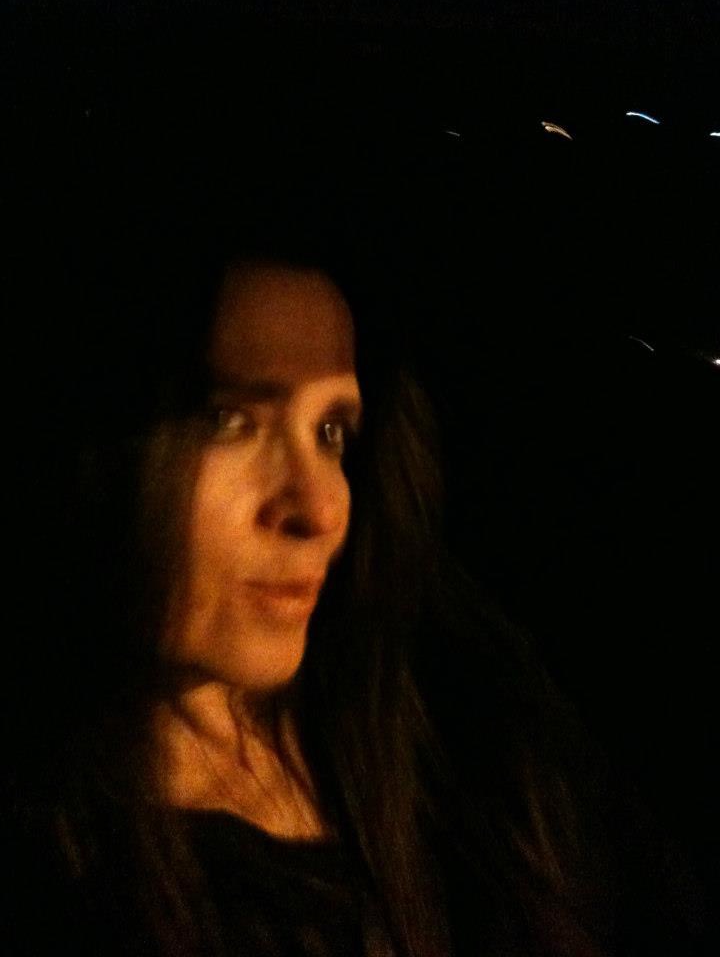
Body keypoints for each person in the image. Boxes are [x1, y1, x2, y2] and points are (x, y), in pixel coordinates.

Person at [7, 209, 689, 957]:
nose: (320, 509)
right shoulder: (60, 873)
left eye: (331, 432)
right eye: (229, 420)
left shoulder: (443, 707)